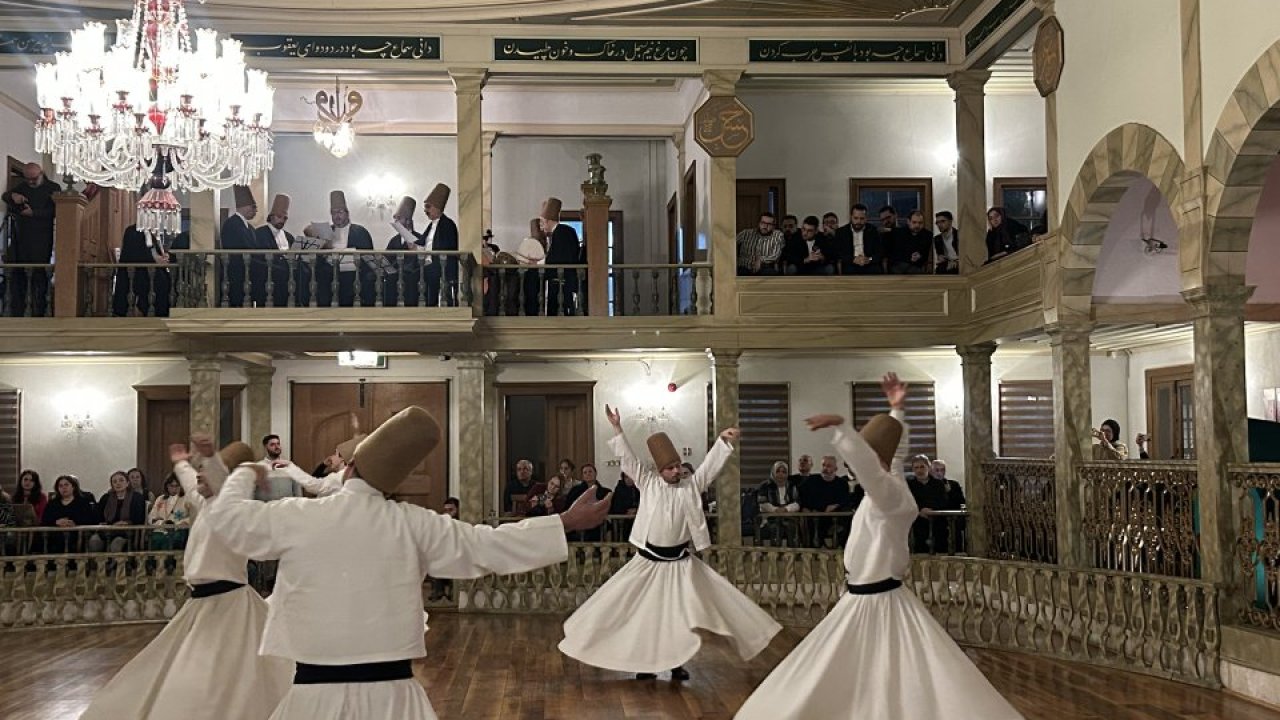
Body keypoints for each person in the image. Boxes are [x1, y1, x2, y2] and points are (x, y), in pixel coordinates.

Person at [203, 406, 612, 720]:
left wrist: (244, 471)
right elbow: (488, 545)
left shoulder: (299, 515)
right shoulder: (413, 523)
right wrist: (564, 522)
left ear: (349, 468)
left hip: (313, 698)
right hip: (395, 699)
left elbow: (225, 519)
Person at [735, 373, 1023, 720]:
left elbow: (871, 465)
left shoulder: (889, 495)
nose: (855, 468)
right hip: (863, 597)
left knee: (875, 671)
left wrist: (842, 428)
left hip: (877, 601)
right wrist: (896, 409)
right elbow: (894, 454)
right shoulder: (893, 483)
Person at [559, 404, 781, 681]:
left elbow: (709, 468)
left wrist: (722, 441)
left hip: (680, 564)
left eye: (678, 466)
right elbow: (628, 460)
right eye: (672, 468)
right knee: (644, 614)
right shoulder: (647, 483)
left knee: (678, 616)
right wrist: (617, 427)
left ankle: (676, 664)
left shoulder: (691, 486)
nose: (677, 471)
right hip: (648, 562)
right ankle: (646, 664)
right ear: (660, 470)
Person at [80, 438, 293, 720]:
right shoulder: (206, 503)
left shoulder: (234, 509)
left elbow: (220, 480)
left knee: (213, 666)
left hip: (227, 605)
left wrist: (211, 457)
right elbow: (193, 483)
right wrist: (181, 463)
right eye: (200, 471)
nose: (200, 476)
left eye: (207, 472)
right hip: (202, 604)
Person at [2, 163, 60, 317]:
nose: (31, 182)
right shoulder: (22, 186)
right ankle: (18, 311)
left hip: (42, 239)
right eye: (28, 179)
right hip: (21, 239)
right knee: (19, 275)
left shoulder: (53, 188)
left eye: (34, 179)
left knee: (39, 277)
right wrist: (13, 196)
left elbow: (56, 211)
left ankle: (39, 312)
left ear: (41, 174)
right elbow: (5, 196)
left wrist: (34, 213)